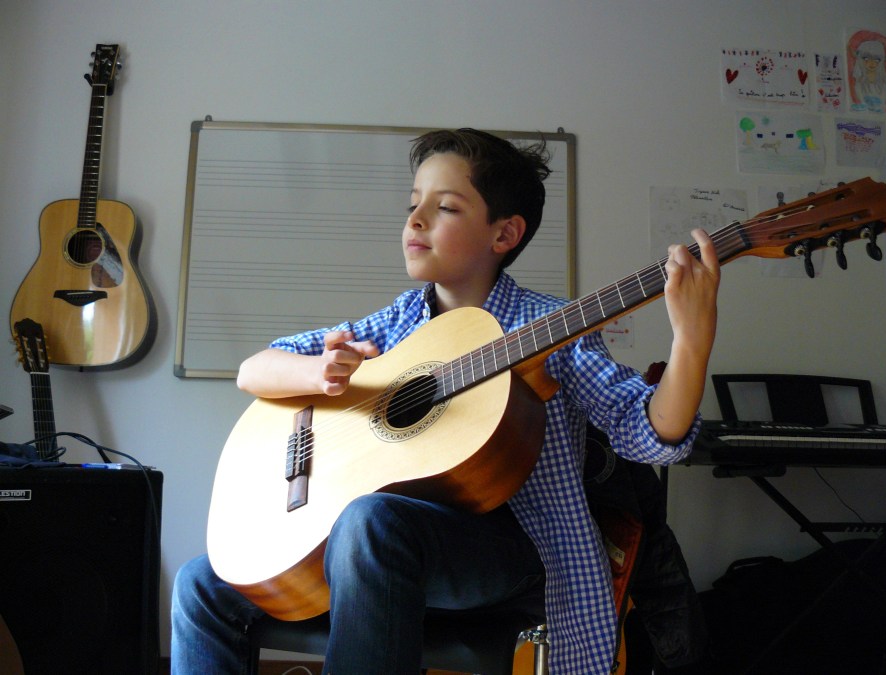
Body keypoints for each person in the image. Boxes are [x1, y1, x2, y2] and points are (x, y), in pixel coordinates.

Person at [171, 128, 720, 674]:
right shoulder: (399, 323)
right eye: (413, 204)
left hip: (518, 550)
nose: (415, 220)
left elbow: (648, 432)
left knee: (370, 521)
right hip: (384, 549)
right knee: (200, 583)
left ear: (504, 234)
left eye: (446, 207)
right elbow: (255, 369)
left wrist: (691, 341)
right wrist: (320, 372)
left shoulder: (551, 327)